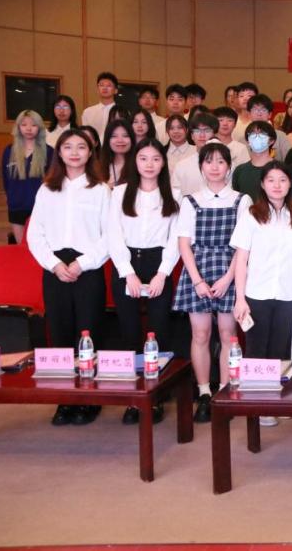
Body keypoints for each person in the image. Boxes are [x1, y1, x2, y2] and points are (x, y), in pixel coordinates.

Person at [27, 129, 109, 426]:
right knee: (60, 334)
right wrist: (53, 264)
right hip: (55, 270)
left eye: (81, 147)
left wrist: (83, 264)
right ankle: (65, 400)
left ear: (90, 152)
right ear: (59, 153)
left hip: (88, 269)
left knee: (88, 333)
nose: (75, 152)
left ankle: (88, 400)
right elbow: (35, 234)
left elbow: (109, 235)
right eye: (68, 147)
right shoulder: (46, 189)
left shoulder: (101, 189)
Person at [108, 138, 180, 425]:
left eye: (156, 159)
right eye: (143, 158)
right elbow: (113, 234)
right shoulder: (119, 193)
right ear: (134, 162)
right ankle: (133, 398)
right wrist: (128, 272)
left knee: (159, 329)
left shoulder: (173, 194)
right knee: (129, 331)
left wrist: (163, 273)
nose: (149, 164)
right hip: (127, 263)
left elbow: (176, 238)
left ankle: (157, 396)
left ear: (163, 163)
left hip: (159, 262)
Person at [171, 142, 243, 423]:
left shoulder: (241, 200)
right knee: (200, 334)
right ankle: (203, 391)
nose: (215, 167)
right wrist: (197, 281)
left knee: (227, 334)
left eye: (220, 161)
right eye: (209, 161)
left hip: (230, 269)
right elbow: (184, 244)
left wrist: (228, 278)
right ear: (201, 166)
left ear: (229, 166)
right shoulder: (190, 200)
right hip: (197, 269)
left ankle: (225, 391)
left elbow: (243, 246)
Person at [231, 162, 292, 428]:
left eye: (282, 179)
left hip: (287, 294)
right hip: (256, 293)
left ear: (290, 183)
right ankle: (257, 406)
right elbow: (241, 259)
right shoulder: (251, 215)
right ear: (262, 184)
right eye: (271, 180)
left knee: (280, 349)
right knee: (257, 350)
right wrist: (240, 299)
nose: (277, 185)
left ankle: (276, 401)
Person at [3, 110, 53, 243]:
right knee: (22, 246)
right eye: (24, 124)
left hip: (41, 207)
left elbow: (53, 181)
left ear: (40, 128)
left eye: (33, 125)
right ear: (18, 127)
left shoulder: (49, 152)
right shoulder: (9, 151)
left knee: (41, 246)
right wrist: (10, 198)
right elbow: (6, 180)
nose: (28, 129)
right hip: (16, 206)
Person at [171, 113, 219, 196]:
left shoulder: (226, 164)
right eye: (197, 131)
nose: (202, 135)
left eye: (207, 131)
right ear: (192, 136)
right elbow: (175, 196)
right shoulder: (181, 166)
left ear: (215, 134)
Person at [232, 120, 277, 200]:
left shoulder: (280, 169)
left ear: (271, 141)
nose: (257, 138)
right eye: (253, 134)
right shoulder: (240, 170)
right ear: (248, 141)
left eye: (262, 134)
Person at [81, 71, 119, 136]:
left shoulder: (121, 112)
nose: (105, 88)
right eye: (101, 85)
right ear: (97, 89)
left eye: (109, 85)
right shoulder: (87, 112)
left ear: (116, 90)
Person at [100, 119, 134, 188]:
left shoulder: (139, 165)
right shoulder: (98, 166)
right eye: (114, 136)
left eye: (125, 136)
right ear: (107, 140)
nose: (120, 140)